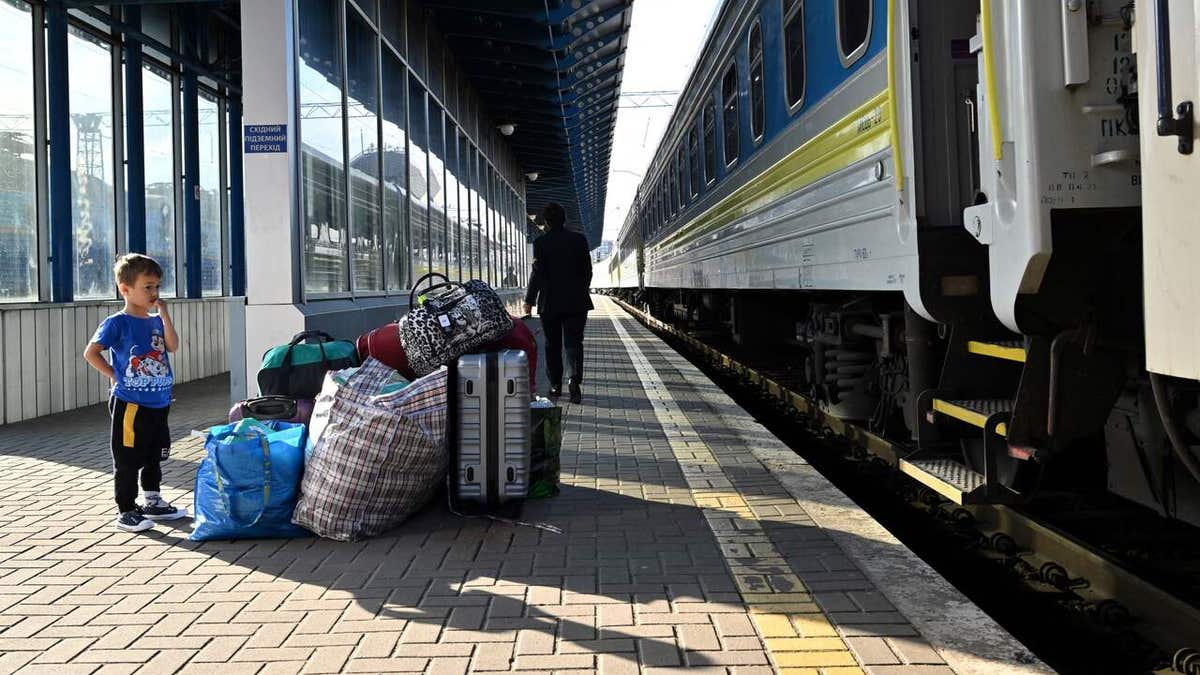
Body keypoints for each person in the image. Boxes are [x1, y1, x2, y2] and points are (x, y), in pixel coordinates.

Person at [83, 253, 187, 532]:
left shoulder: (155, 321)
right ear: (125, 289)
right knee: (128, 456)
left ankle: (153, 499)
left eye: (157, 286)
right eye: (148, 287)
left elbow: (173, 346)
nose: (154, 293)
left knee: (156, 453)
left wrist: (164, 315)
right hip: (131, 403)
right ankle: (127, 509)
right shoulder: (117, 323)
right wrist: (115, 375)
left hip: (159, 401)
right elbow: (91, 353)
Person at [524, 202, 593, 404]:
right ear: (565, 220)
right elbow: (588, 271)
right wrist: (581, 289)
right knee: (574, 343)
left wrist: (529, 300)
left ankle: (555, 384)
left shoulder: (541, 243)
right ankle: (574, 381)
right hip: (577, 302)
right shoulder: (579, 240)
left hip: (550, 303)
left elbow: (537, 274)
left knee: (552, 345)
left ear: (546, 222)